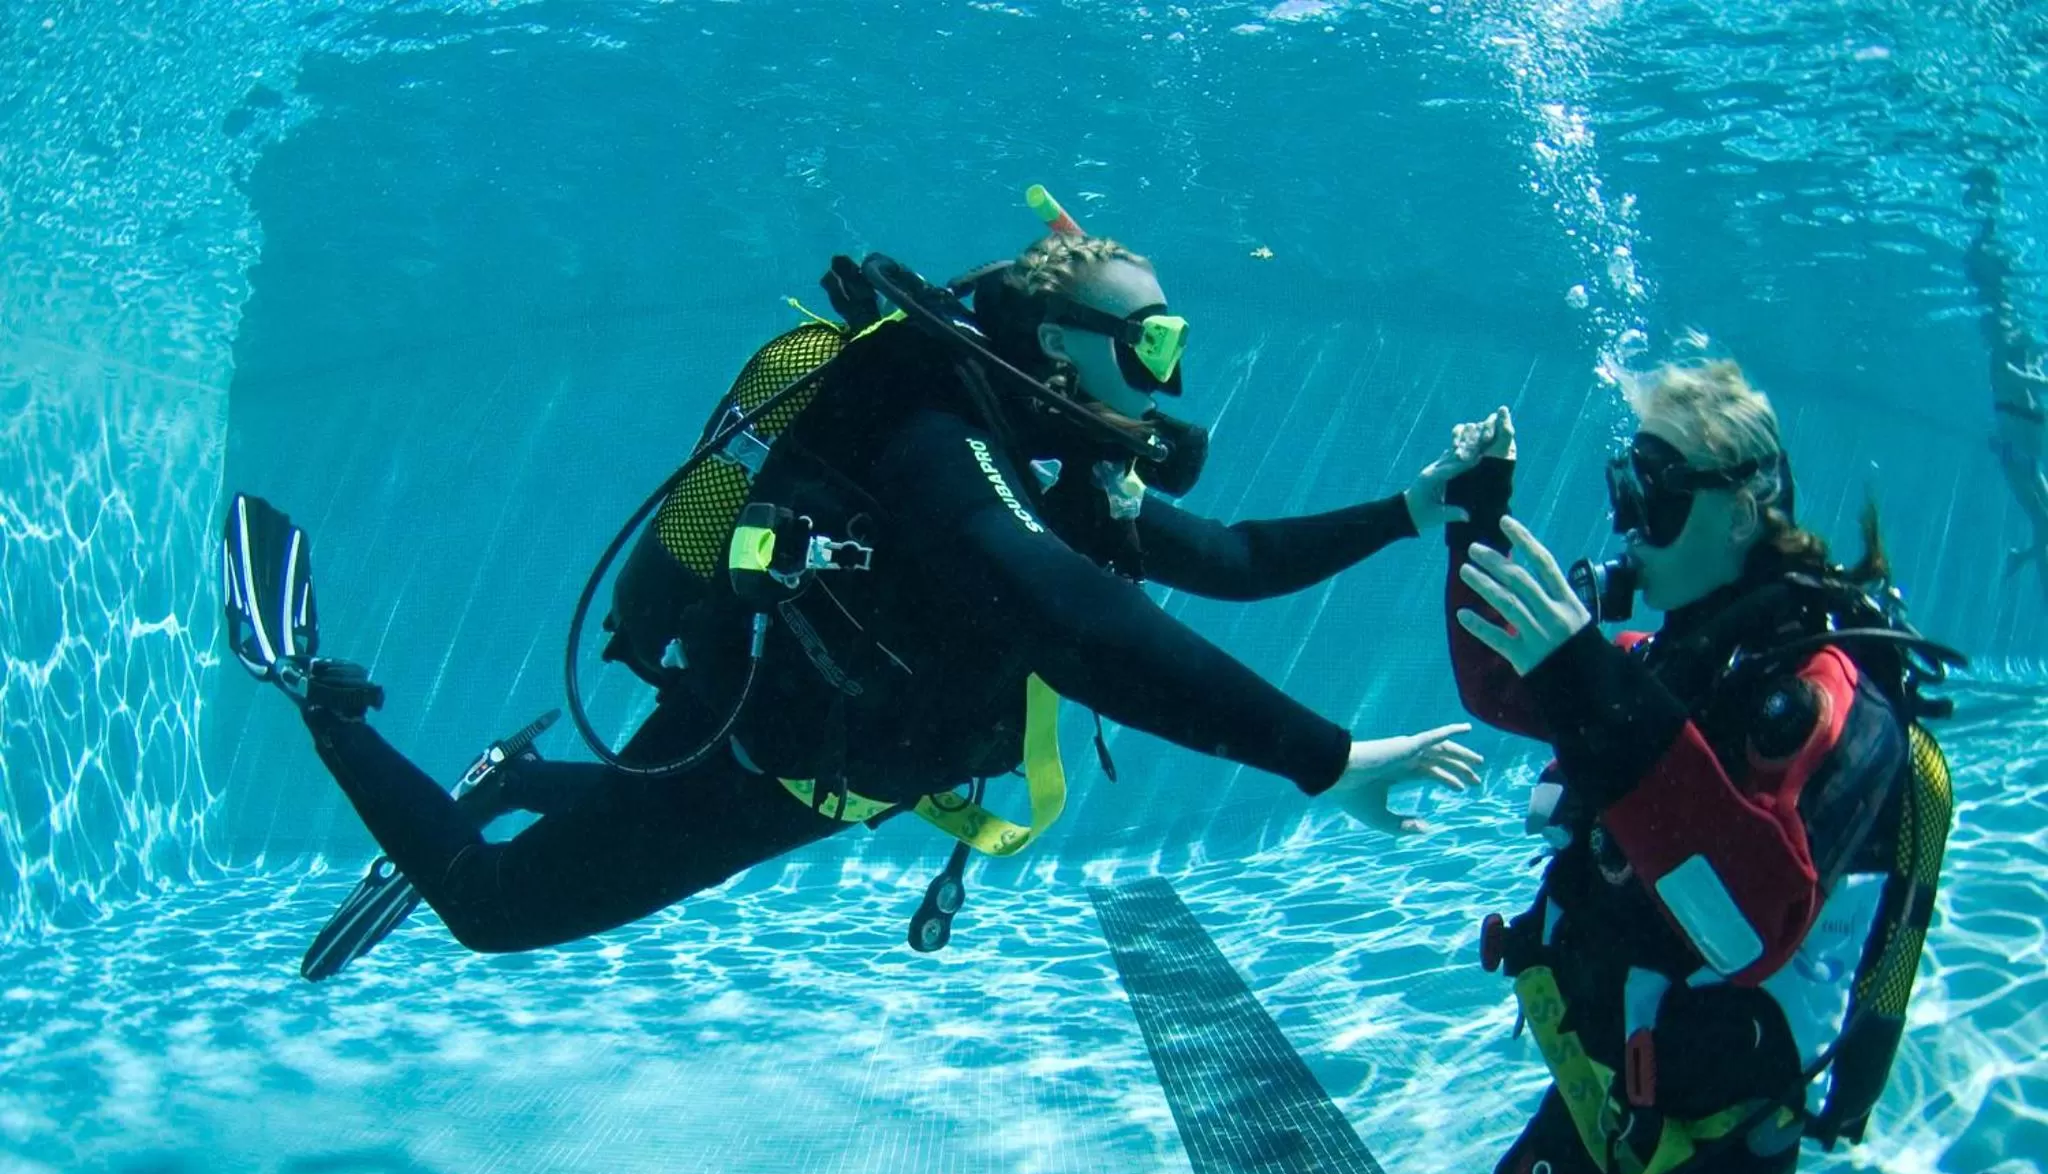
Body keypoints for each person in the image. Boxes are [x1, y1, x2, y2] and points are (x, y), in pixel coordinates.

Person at [221, 192, 1488, 961]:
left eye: (1176, 342)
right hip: (755, 762)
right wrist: (1322, 757)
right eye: (1153, 344)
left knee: (598, 818)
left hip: (819, 768)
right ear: (1057, 344)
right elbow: (1063, 612)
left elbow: (1227, 558)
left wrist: (1407, 509)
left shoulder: (1044, 459)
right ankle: (321, 707)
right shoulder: (933, 436)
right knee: (494, 911)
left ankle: (510, 775)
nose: (1169, 376)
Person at [1401, 360, 2039, 1174]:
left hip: (1713, 1142)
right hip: (1601, 1102)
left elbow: (1744, 926)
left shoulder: (1823, 696)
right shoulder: (1669, 655)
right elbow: (1500, 683)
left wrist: (1591, 675)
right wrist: (1474, 527)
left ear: (1743, 503)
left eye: (1652, 491)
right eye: (1618, 489)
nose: (1626, 523)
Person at [1964, 165, 2048, 603]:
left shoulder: (2008, 360)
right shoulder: (2012, 364)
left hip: (2021, 447)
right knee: (2003, 308)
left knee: (2001, 305)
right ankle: (1987, 214)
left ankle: (1986, 213)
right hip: (2021, 445)